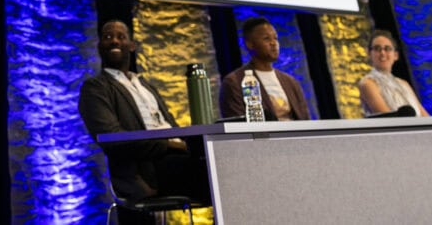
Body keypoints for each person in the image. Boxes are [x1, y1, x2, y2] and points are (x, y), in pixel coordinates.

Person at [78, 20, 209, 216]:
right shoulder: (96, 88)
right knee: (220, 176)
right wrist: (170, 145)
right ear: (99, 46)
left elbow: (171, 126)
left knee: (224, 165)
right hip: (146, 171)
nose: (114, 41)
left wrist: (190, 145)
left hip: (180, 159)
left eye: (121, 37)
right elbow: (112, 138)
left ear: (132, 45)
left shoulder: (145, 85)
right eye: (107, 37)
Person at [220, 17, 310, 121]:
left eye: (275, 38)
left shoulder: (290, 82)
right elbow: (236, 124)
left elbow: (305, 119)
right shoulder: (234, 82)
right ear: (250, 44)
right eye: (266, 38)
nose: (273, 43)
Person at [358, 30, 429, 117]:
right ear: (369, 54)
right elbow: (389, 118)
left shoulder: (404, 84)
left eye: (387, 49)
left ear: (395, 55)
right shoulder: (367, 83)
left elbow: (424, 115)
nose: (382, 53)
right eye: (377, 49)